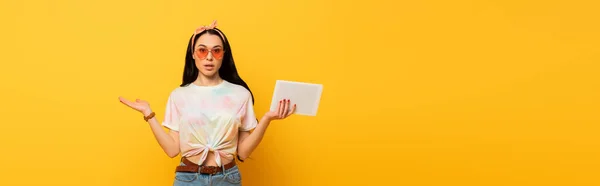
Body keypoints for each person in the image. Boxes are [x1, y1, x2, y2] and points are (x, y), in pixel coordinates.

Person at [118, 20, 296, 186]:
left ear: (223, 56)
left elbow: (243, 152)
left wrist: (266, 119)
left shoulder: (241, 94)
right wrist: (148, 114)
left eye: (216, 50)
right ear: (193, 54)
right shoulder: (179, 95)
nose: (209, 57)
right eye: (202, 50)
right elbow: (172, 149)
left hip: (228, 178)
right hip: (188, 178)